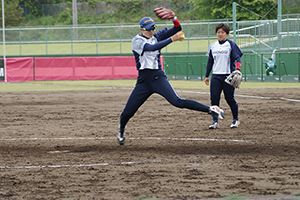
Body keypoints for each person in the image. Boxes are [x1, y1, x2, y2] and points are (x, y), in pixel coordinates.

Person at [117, 16, 224, 145]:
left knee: (177, 101)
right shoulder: (137, 40)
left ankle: (211, 110)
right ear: (141, 29)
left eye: (153, 27)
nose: (151, 31)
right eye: (148, 29)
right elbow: (151, 48)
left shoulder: (157, 36)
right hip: (143, 81)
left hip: (158, 77)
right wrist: (172, 39)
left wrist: (174, 18)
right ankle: (121, 130)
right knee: (127, 113)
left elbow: (177, 28)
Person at [204, 23, 243, 129]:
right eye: (218, 32)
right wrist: (207, 75)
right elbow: (210, 62)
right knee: (214, 99)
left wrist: (238, 70)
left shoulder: (231, 44)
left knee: (229, 98)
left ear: (227, 34)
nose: (220, 34)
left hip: (228, 76)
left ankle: (235, 120)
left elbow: (238, 57)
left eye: (222, 32)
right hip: (216, 76)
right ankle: (215, 122)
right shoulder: (213, 46)